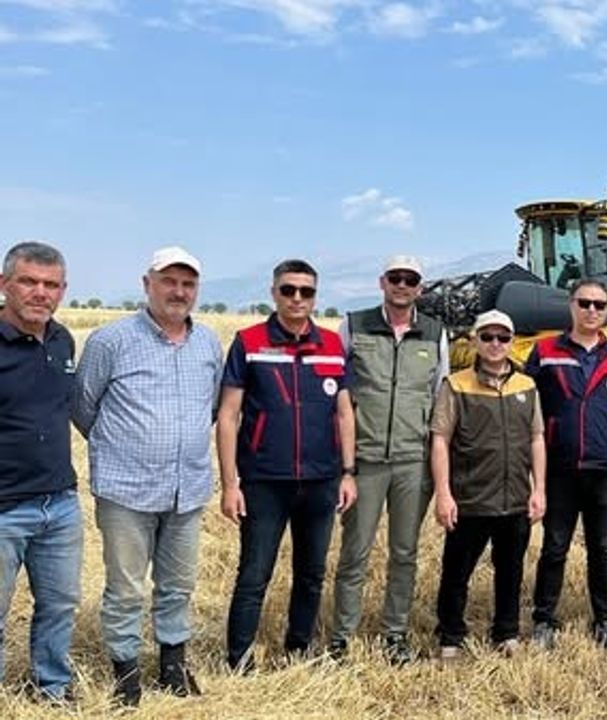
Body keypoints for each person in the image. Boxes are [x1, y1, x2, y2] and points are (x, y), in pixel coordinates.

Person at [72, 247, 221, 705]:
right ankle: (127, 672)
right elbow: (83, 407)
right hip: (126, 490)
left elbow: (212, 407)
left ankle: (173, 665)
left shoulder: (208, 343)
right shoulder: (110, 341)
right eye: (169, 281)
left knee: (178, 584)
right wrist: (126, 448)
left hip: (186, 488)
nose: (179, 291)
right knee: (126, 587)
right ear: (147, 284)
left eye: (188, 284)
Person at [217, 258, 358, 670]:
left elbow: (345, 413)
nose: (297, 298)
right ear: (274, 293)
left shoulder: (331, 345)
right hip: (264, 480)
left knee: (312, 573)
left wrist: (348, 473)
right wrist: (230, 483)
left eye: (306, 291)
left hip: (321, 479)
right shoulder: (249, 342)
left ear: (315, 296)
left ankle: (299, 648)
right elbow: (228, 415)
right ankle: (239, 659)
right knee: (254, 574)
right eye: (288, 290)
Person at [329, 255, 447, 664]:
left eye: (410, 279)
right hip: (365, 459)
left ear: (420, 288)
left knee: (405, 553)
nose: (402, 285)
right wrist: (343, 463)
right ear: (382, 282)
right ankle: (342, 636)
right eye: (395, 278)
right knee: (354, 552)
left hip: (413, 460)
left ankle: (395, 634)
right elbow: (338, 395)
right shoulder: (353, 325)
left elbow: (439, 398)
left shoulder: (435, 333)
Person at [527, 279, 607, 653]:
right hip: (560, 467)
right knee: (555, 546)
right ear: (571, 305)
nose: (592, 310)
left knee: (602, 549)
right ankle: (544, 619)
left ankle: (604, 619)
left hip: (604, 467)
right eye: (585, 303)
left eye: (599, 305)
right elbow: (528, 406)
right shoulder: (545, 351)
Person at [431, 310, 546, 659]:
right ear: (475, 341)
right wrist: (443, 493)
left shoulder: (526, 386)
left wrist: (539, 489)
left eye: (503, 337)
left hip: (515, 497)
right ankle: (451, 635)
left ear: (512, 342)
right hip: (470, 497)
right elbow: (440, 439)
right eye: (487, 337)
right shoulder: (456, 385)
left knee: (511, 570)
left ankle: (506, 632)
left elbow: (536, 438)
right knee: (457, 571)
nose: (496, 344)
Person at [0, 241, 80, 703]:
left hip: (60, 503)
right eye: (28, 281)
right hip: (4, 506)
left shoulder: (61, 340)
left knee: (60, 606)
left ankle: (52, 688)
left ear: (63, 290)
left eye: (51, 284)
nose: (40, 292)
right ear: (4, 284)